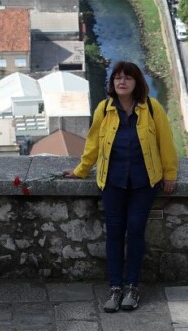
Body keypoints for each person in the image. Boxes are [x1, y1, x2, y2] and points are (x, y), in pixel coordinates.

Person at [66, 61, 178, 314]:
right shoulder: (104, 110)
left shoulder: (152, 108)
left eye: (127, 78)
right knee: (115, 232)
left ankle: (132, 287)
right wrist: (80, 170)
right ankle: (115, 288)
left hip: (143, 181)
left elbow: (166, 143)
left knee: (136, 230)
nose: (121, 82)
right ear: (112, 83)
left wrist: (170, 174)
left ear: (137, 82)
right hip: (112, 181)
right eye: (117, 78)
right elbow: (93, 144)